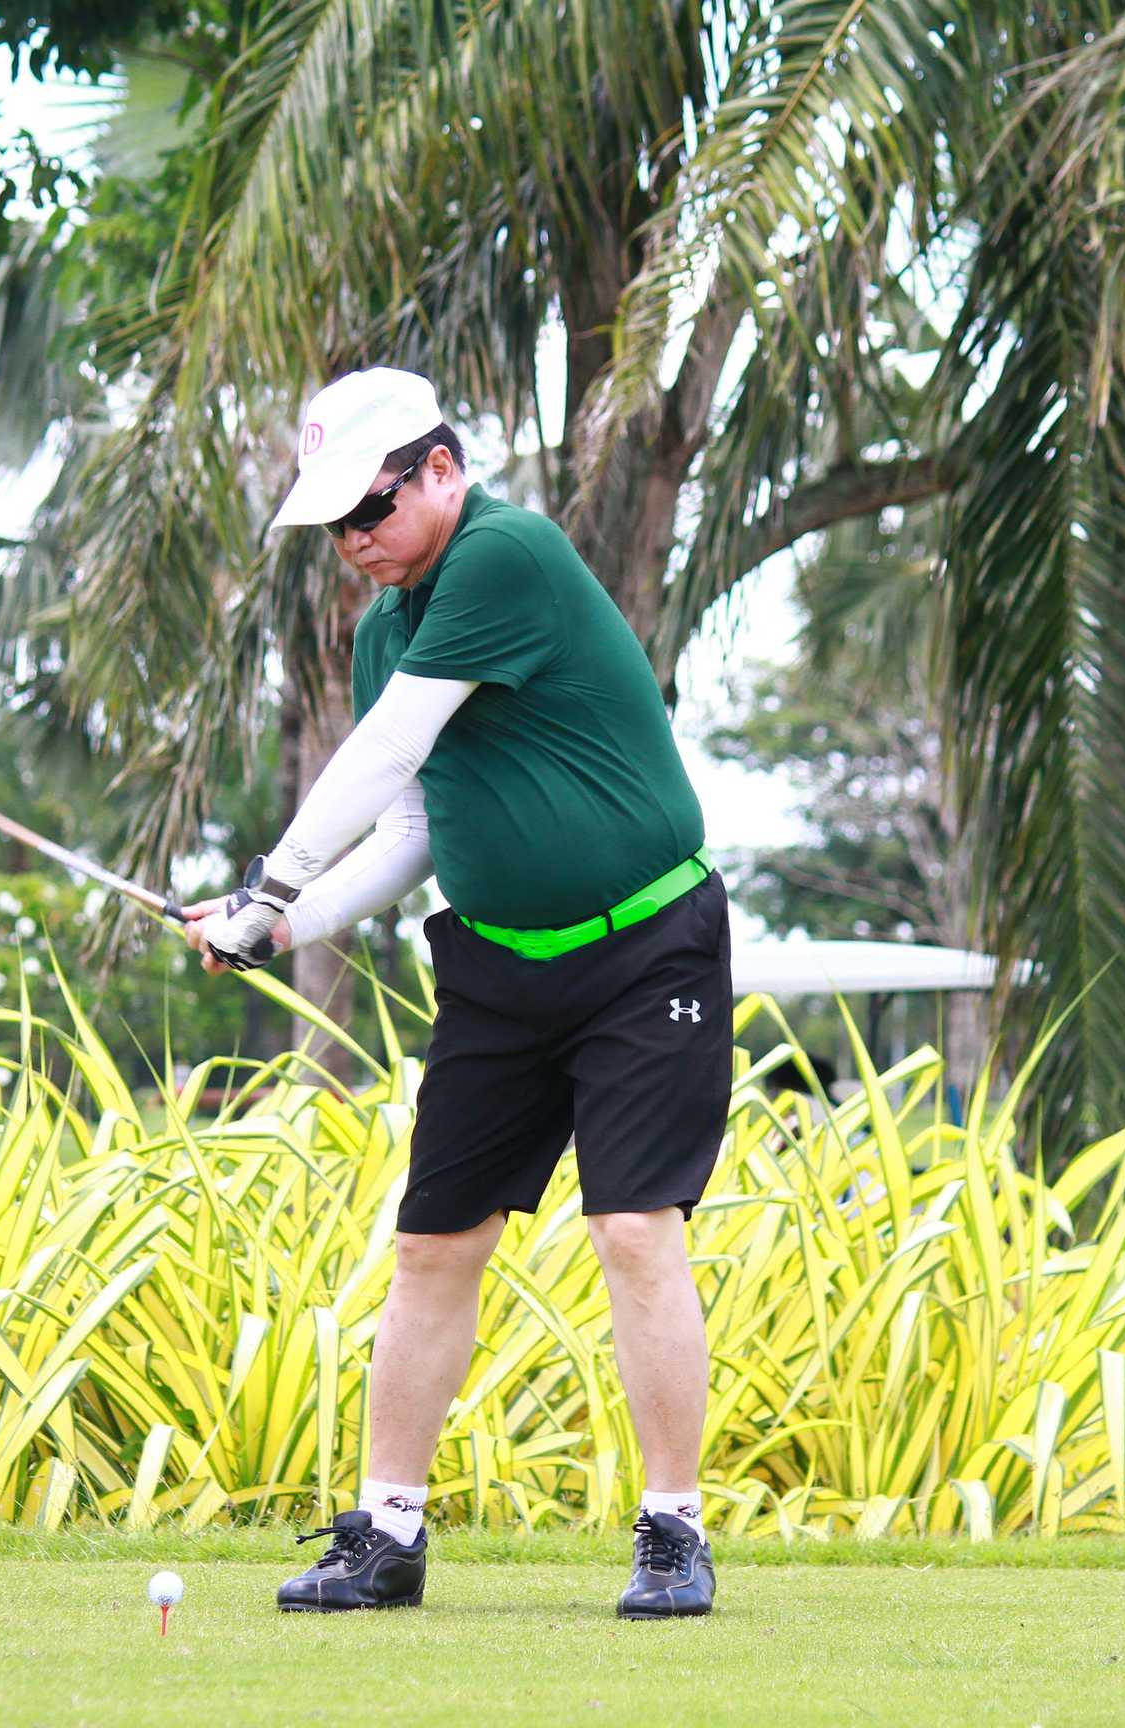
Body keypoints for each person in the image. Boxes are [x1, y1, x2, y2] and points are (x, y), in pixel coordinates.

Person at [183, 367, 730, 1618]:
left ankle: (673, 1531)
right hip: (495, 965)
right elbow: (415, 824)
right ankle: (387, 1535)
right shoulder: (388, 629)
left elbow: (382, 752)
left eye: (368, 509)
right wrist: (283, 924)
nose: (353, 541)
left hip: (647, 948)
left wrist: (266, 882)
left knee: (632, 1227)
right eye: (333, 524)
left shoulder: (506, 553)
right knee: (435, 1242)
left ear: (438, 468)